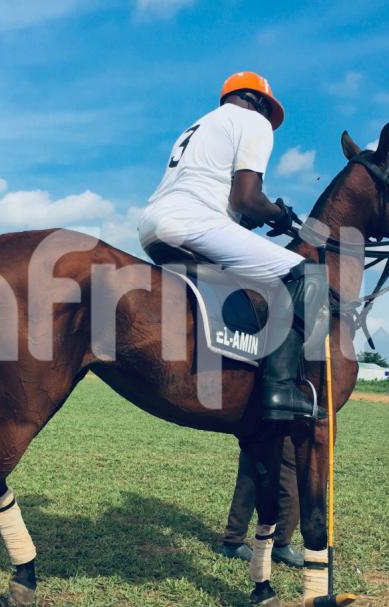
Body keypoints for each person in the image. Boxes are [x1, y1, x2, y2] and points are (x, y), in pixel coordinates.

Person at [138, 71, 324, 422]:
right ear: (258, 103)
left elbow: (225, 195)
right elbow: (247, 197)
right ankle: (279, 389)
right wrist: (278, 214)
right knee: (308, 275)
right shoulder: (254, 123)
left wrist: (252, 214)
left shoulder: (200, 125)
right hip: (192, 223)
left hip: (152, 226)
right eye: (268, 112)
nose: (269, 121)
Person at [215, 437, 303, 567]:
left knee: (251, 461)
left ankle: (233, 540)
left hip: (255, 424)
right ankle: (280, 543)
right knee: (289, 467)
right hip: (283, 422)